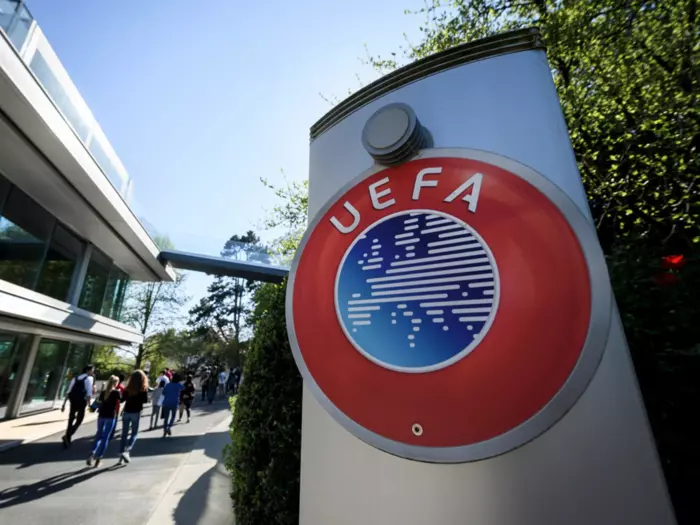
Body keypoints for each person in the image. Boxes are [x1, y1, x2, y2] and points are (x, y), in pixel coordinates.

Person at [87, 375, 120, 467]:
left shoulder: (104, 392)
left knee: (99, 435)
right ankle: (99, 458)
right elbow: (120, 401)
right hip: (111, 416)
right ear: (116, 383)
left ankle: (92, 453)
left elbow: (99, 402)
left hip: (101, 415)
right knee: (106, 437)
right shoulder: (116, 392)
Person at [61, 365, 95, 448]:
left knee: (71, 419)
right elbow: (89, 393)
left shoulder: (75, 378)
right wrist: (89, 405)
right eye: (92, 370)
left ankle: (68, 437)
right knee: (79, 419)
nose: (92, 372)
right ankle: (68, 435)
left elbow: (68, 391)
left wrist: (64, 404)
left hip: (73, 401)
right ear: (88, 370)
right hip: (81, 402)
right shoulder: (89, 379)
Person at [119, 370, 149, 464]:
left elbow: (122, 399)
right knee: (134, 433)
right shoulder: (143, 389)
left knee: (124, 434)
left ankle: (121, 456)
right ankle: (127, 451)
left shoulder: (128, 388)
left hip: (127, 411)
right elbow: (145, 400)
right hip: (136, 412)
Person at [110, 373, 126, 440]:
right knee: (114, 421)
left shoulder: (111, 385)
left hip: (108, 405)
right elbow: (123, 399)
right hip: (116, 407)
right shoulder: (122, 388)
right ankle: (111, 435)